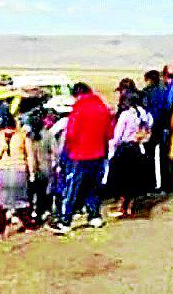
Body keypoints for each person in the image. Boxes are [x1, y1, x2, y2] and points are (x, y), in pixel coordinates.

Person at [52, 84, 114, 231]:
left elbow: (71, 133)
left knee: (73, 187)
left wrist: (68, 151)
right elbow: (109, 133)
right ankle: (95, 216)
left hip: (80, 154)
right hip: (98, 152)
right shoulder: (102, 107)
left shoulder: (79, 108)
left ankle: (65, 221)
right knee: (93, 186)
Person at [0, 114, 37, 237]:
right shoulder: (23, 137)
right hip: (20, 172)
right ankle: (28, 225)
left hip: (2, 172)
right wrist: (32, 173)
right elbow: (30, 156)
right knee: (22, 201)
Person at [104, 90, 154, 218]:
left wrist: (112, 147)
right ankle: (130, 206)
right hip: (138, 148)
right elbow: (149, 129)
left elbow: (118, 135)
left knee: (122, 180)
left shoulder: (125, 115)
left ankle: (122, 206)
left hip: (125, 149)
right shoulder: (144, 113)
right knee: (133, 179)